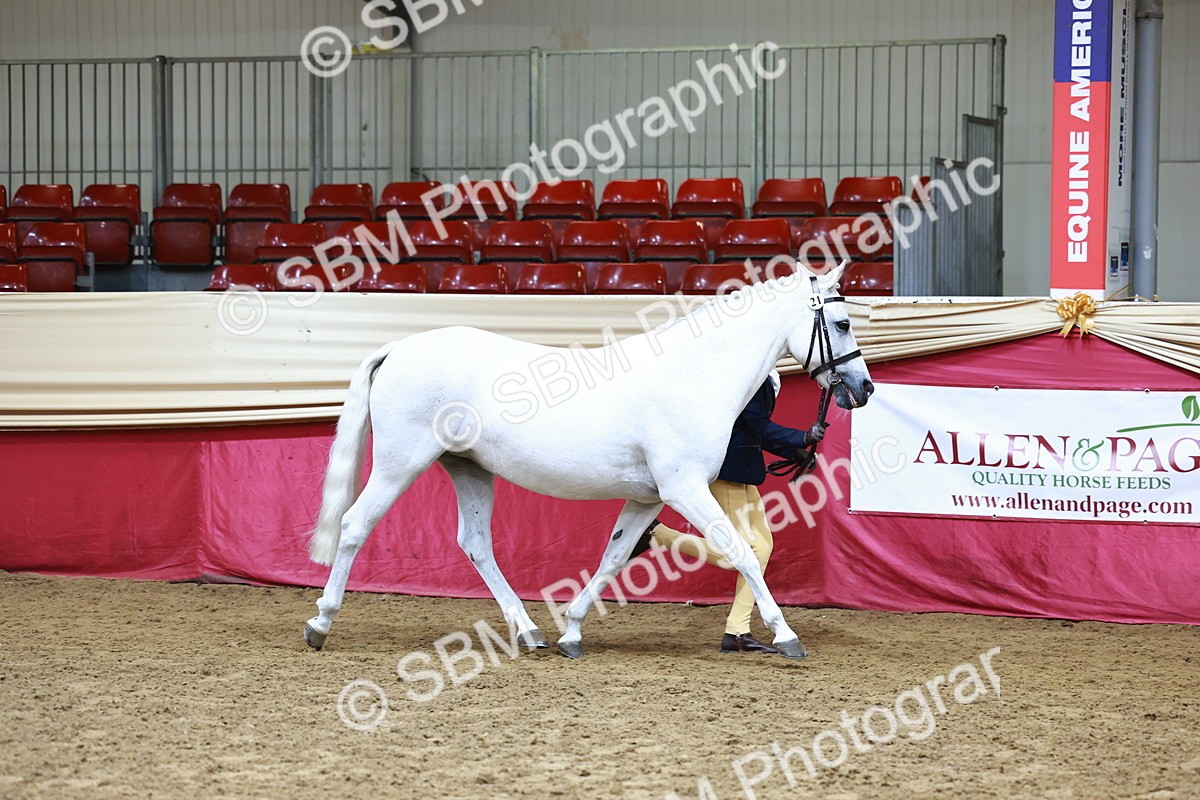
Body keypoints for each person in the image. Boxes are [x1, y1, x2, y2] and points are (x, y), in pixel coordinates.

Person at [632, 370, 826, 654]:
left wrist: (795, 451)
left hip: (744, 469)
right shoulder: (748, 374)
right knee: (737, 552)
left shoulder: (764, 374)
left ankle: (737, 631)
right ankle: (656, 534)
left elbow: (752, 433)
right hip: (728, 471)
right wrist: (802, 437)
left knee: (762, 547)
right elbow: (757, 424)